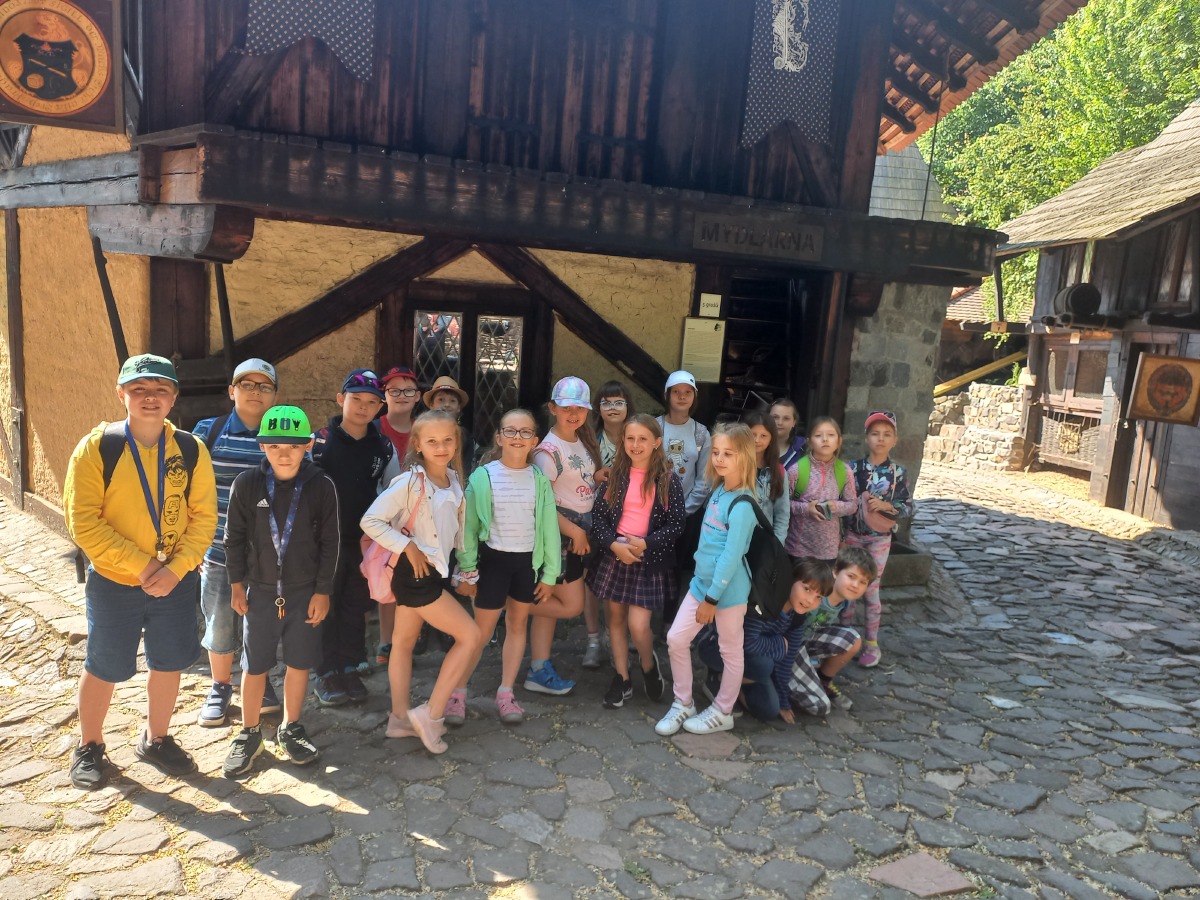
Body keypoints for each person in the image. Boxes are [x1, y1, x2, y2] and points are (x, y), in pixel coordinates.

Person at [63, 354, 217, 789]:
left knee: (169, 662)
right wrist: (145, 565)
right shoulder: (98, 448)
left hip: (175, 581)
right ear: (121, 394)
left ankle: (156, 738)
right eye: (139, 389)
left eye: (160, 389)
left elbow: (204, 518)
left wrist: (176, 568)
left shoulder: (191, 449)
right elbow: (83, 522)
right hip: (115, 582)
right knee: (104, 664)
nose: (150, 397)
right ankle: (89, 745)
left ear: (174, 397)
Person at [221, 406, 338, 777]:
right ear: (262, 446)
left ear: (308, 445)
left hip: (305, 592)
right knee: (254, 664)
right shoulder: (247, 484)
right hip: (260, 591)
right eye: (274, 446)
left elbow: (331, 543)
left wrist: (323, 591)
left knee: (299, 662)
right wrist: (236, 584)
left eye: (292, 446)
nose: (283, 453)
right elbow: (233, 538)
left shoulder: (321, 485)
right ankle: (249, 732)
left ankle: (291, 726)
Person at [361, 410, 481, 754]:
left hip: (431, 573)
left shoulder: (454, 480)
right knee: (471, 637)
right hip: (413, 574)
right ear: (418, 445)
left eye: (448, 440)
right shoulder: (410, 482)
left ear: (456, 443)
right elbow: (370, 520)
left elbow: (456, 533)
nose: (441, 447)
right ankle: (431, 714)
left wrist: (465, 571)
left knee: (402, 643)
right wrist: (408, 546)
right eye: (432, 441)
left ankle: (399, 719)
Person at [454, 409, 561, 724]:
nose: (518, 437)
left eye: (525, 432)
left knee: (517, 625)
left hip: (526, 564)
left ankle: (506, 692)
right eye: (510, 431)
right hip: (493, 563)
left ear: (534, 441)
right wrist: (467, 569)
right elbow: (468, 528)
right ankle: (457, 692)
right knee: (480, 632)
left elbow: (549, 528)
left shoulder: (539, 480)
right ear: (499, 438)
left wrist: (550, 574)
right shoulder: (483, 477)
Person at [193, 358, 281, 728]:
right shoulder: (208, 432)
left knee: (260, 622)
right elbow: (188, 490)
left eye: (264, 386)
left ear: (274, 396)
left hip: (267, 556)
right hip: (218, 551)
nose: (255, 392)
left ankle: (258, 680)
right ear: (232, 391)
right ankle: (220, 686)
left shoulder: (282, 434)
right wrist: (193, 543)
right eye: (247, 384)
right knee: (220, 623)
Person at [654, 423, 758, 737]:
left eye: (729, 454)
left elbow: (730, 557)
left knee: (730, 650)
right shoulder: (718, 490)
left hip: (726, 594)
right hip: (701, 585)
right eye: (716, 452)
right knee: (676, 639)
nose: (720, 459)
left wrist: (712, 600)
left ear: (745, 457)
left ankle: (723, 710)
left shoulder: (743, 505)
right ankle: (683, 702)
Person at [311, 369, 394, 707]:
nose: (363, 407)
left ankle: (349, 665)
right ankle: (325, 671)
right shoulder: (318, 441)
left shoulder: (384, 446)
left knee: (355, 604)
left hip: (364, 542)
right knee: (325, 605)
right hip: (323, 541)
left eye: (372, 402)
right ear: (340, 399)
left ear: (380, 408)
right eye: (356, 399)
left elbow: (392, 491)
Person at [589, 415, 683, 708]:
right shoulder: (616, 476)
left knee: (639, 625)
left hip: (647, 560)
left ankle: (648, 664)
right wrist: (613, 545)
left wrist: (647, 543)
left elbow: (676, 524)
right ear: (623, 441)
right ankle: (622, 678)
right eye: (630, 438)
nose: (636, 444)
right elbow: (598, 518)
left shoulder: (668, 480)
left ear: (656, 442)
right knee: (615, 619)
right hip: (617, 556)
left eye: (643, 439)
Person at [528, 376, 602, 695]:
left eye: (580, 408)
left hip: (578, 532)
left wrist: (599, 476)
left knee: (552, 600)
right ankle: (506, 604)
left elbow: (579, 481)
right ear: (553, 408)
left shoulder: (580, 440)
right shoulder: (547, 452)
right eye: (567, 407)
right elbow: (541, 504)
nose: (574, 414)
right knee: (572, 606)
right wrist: (573, 531)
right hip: (561, 536)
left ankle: (538, 668)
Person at [697, 557, 833, 723]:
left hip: (752, 659)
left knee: (769, 710)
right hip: (715, 647)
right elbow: (748, 642)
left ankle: (728, 682)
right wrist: (779, 644)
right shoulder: (766, 602)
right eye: (807, 589)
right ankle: (717, 678)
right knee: (764, 666)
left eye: (819, 597)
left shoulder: (797, 617)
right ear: (791, 581)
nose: (810, 600)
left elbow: (787, 660)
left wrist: (783, 700)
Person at [843, 411, 915, 668]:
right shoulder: (852, 469)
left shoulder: (898, 473)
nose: (880, 439)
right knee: (847, 588)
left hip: (880, 540)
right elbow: (843, 500)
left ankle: (871, 643)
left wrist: (887, 505)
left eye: (887, 434)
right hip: (852, 536)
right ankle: (844, 637)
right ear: (867, 438)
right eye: (875, 434)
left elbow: (907, 507)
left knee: (870, 589)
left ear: (895, 440)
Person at [582, 379, 635, 669]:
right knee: (591, 579)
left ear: (628, 406)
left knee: (622, 578)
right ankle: (593, 639)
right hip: (593, 516)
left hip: (630, 518)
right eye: (606, 402)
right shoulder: (589, 439)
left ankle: (619, 635)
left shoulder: (636, 435)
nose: (612, 408)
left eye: (618, 402)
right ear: (597, 408)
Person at [787, 546, 875, 714]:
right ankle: (783, 683)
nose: (855, 585)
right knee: (820, 706)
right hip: (789, 646)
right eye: (851, 576)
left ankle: (824, 681)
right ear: (835, 571)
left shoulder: (844, 602)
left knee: (852, 639)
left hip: (807, 641)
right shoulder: (817, 593)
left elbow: (822, 627)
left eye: (863, 582)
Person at [655, 370, 711, 632]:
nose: (681, 396)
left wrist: (684, 509)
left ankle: (668, 619)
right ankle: (642, 616)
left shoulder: (700, 433)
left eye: (687, 392)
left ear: (694, 397)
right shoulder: (654, 426)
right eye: (676, 392)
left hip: (684, 514)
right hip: (650, 510)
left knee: (675, 567)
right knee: (647, 564)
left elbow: (704, 478)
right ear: (667, 395)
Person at [375, 365, 421, 668]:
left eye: (408, 390)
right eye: (394, 390)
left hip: (418, 513)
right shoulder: (375, 428)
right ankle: (385, 640)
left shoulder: (423, 428)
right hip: (382, 513)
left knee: (414, 576)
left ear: (418, 396)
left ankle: (408, 639)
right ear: (384, 394)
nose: (401, 395)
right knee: (384, 576)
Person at [785, 416, 857, 565]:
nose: (825, 439)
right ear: (809, 441)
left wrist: (836, 506)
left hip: (828, 550)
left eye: (831, 435)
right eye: (818, 435)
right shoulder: (796, 470)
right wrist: (806, 509)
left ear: (839, 441)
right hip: (797, 548)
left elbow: (852, 504)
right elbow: (783, 504)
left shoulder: (844, 471)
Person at [744, 411, 789, 544]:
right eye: (753, 434)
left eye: (763, 436)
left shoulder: (778, 471)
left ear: (771, 439)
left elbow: (782, 513)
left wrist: (777, 545)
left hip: (763, 541)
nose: (757, 440)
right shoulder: (733, 465)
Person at [423, 375, 476, 475]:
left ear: (459, 407)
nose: (447, 404)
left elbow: (466, 471)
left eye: (452, 401)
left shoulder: (465, 437)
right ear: (431, 405)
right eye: (441, 400)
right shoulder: (421, 432)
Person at [769, 399, 806, 470]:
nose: (780, 422)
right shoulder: (754, 445)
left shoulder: (804, 448)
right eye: (775, 417)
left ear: (794, 422)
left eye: (786, 418)